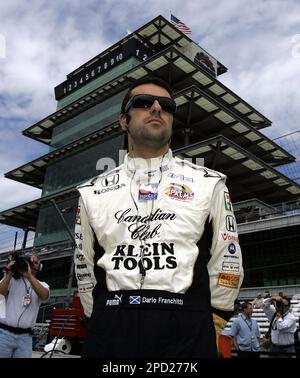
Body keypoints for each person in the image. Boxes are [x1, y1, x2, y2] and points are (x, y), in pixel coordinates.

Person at [74, 76, 244, 358]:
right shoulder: (91, 192)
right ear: (123, 121)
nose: (156, 108)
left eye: (167, 106)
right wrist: (98, 318)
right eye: (143, 103)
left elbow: (227, 254)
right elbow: (84, 263)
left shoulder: (209, 183)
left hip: (186, 324)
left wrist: (216, 318)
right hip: (112, 323)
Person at [0, 253, 49, 358]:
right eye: (31, 262)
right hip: (4, 334)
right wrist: (9, 273)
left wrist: (29, 275)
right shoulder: (11, 280)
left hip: (25, 338)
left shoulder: (42, 284)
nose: (33, 265)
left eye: (36, 263)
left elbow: (44, 295)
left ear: (39, 267)